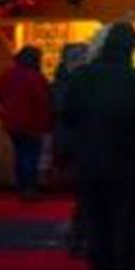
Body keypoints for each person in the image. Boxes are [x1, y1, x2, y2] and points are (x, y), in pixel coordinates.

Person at [62, 23, 135, 270]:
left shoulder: (83, 77)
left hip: (89, 157)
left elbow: (68, 116)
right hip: (125, 156)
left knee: (95, 217)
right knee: (125, 219)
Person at [0, 46, 52, 200]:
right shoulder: (35, 77)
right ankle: (29, 188)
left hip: (13, 122)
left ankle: (22, 187)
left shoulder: (8, 75)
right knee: (31, 156)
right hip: (32, 122)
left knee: (21, 154)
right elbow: (43, 101)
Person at [51, 43, 91, 254]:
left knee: (85, 195)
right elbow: (65, 114)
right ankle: (78, 238)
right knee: (86, 194)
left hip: (75, 143)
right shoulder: (68, 85)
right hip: (76, 143)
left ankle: (78, 237)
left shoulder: (64, 83)